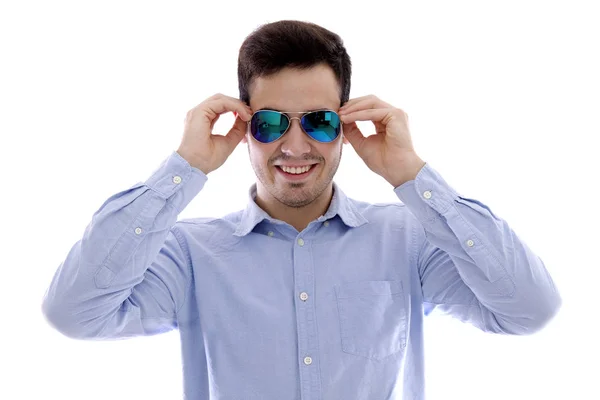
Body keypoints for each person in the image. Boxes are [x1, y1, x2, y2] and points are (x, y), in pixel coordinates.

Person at [41, 19, 561, 400]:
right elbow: (74, 314)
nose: (294, 146)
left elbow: (529, 311)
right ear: (243, 127)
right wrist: (185, 166)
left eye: (318, 121)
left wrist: (411, 175)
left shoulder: (411, 238)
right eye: (270, 123)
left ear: (345, 124)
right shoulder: (189, 253)